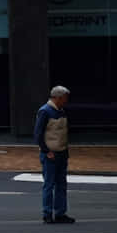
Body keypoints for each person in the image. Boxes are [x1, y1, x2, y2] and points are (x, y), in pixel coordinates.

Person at [35, 85, 75, 224]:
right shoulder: (45, 111)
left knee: (61, 184)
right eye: (65, 98)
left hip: (62, 153)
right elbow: (38, 134)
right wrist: (46, 151)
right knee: (49, 184)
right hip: (51, 155)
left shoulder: (61, 111)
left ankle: (60, 213)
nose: (66, 100)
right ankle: (47, 213)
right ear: (58, 98)